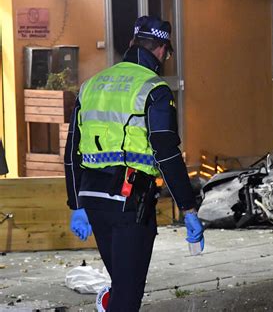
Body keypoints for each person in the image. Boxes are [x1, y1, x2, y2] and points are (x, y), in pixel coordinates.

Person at [64, 16, 204, 311]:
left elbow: (71, 154)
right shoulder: (154, 89)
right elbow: (166, 154)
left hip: (93, 200)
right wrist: (188, 209)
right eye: (166, 53)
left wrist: (77, 205)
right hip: (131, 203)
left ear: (132, 44)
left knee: (123, 283)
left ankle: (109, 301)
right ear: (161, 50)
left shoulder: (91, 86)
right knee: (128, 296)